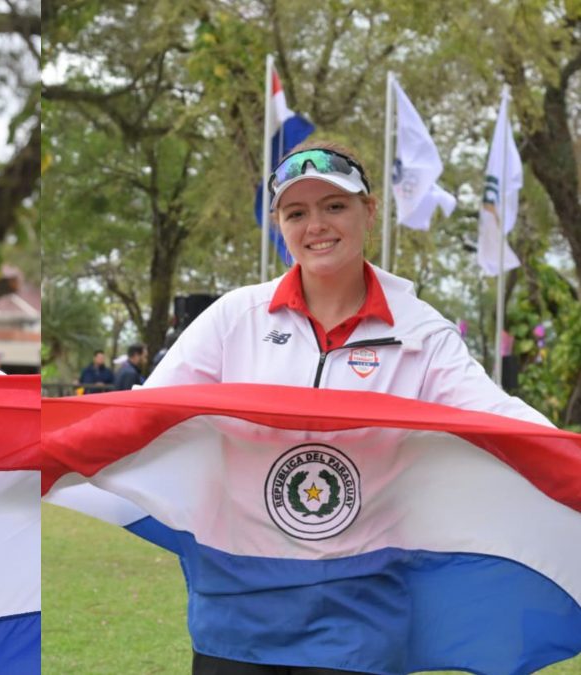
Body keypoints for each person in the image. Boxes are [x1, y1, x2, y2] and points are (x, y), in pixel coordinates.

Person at [144, 140, 551, 674]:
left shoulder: (420, 332)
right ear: (278, 224)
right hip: (237, 613)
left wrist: (569, 459)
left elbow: (501, 419)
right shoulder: (233, 318)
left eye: (334, 205)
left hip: (358, 615)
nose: (317, 225)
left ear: (369, 210)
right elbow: (144, 415)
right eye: (297, 212)